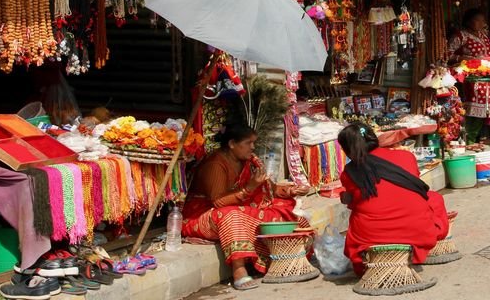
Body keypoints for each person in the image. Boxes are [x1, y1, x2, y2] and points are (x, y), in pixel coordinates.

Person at [182, 124, 308, 291]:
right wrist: (249, 187)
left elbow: (271, 188)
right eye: (248, 143)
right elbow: (218, 202)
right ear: (232, 144)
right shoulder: (215, 164)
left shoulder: (249, 162)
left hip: (237, 208)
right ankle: (239, 270)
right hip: (202, 215)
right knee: (231, 215)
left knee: (285, 215)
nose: (253, 147)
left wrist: (291, 190)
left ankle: (282, 259)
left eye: (254, 143)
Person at [337, 123, 450, 276]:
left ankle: (369, 258)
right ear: (373, 138)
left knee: (359, 212)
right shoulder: (406, 156)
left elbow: (355, 200)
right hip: (418, 231)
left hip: (371, 237)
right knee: (434, 198)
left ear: (347, 150)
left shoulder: (349, 173)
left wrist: (345, 198)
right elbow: (413, 189)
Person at [446, 9, 490, 144]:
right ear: (469, 21)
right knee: (471, 110)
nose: (481, 23)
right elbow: (446, 54)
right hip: (470, 80)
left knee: (484, 111)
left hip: (486, 78)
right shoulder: (461, 36)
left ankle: (477, 137)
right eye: (477, 20)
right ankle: (469, 139)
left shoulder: (484, 35)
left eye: (482, 20)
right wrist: (463, 58)